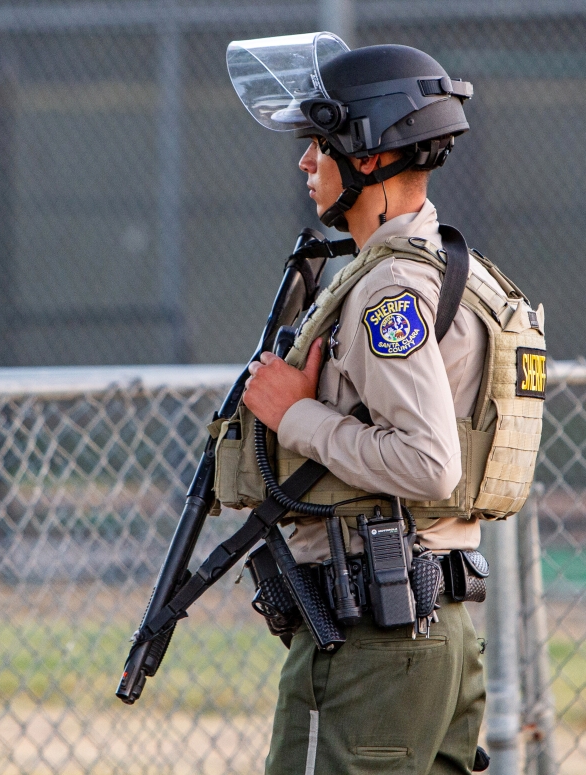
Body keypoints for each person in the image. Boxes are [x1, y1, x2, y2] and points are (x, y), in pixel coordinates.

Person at [226, 34, 546, 774]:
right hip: (433, 636)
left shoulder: (388, 290)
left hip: (374, 648)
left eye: (320, 142)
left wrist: (292, 414)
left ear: (367, 158)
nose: (307, 162)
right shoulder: (449, 272)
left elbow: (429, 461)